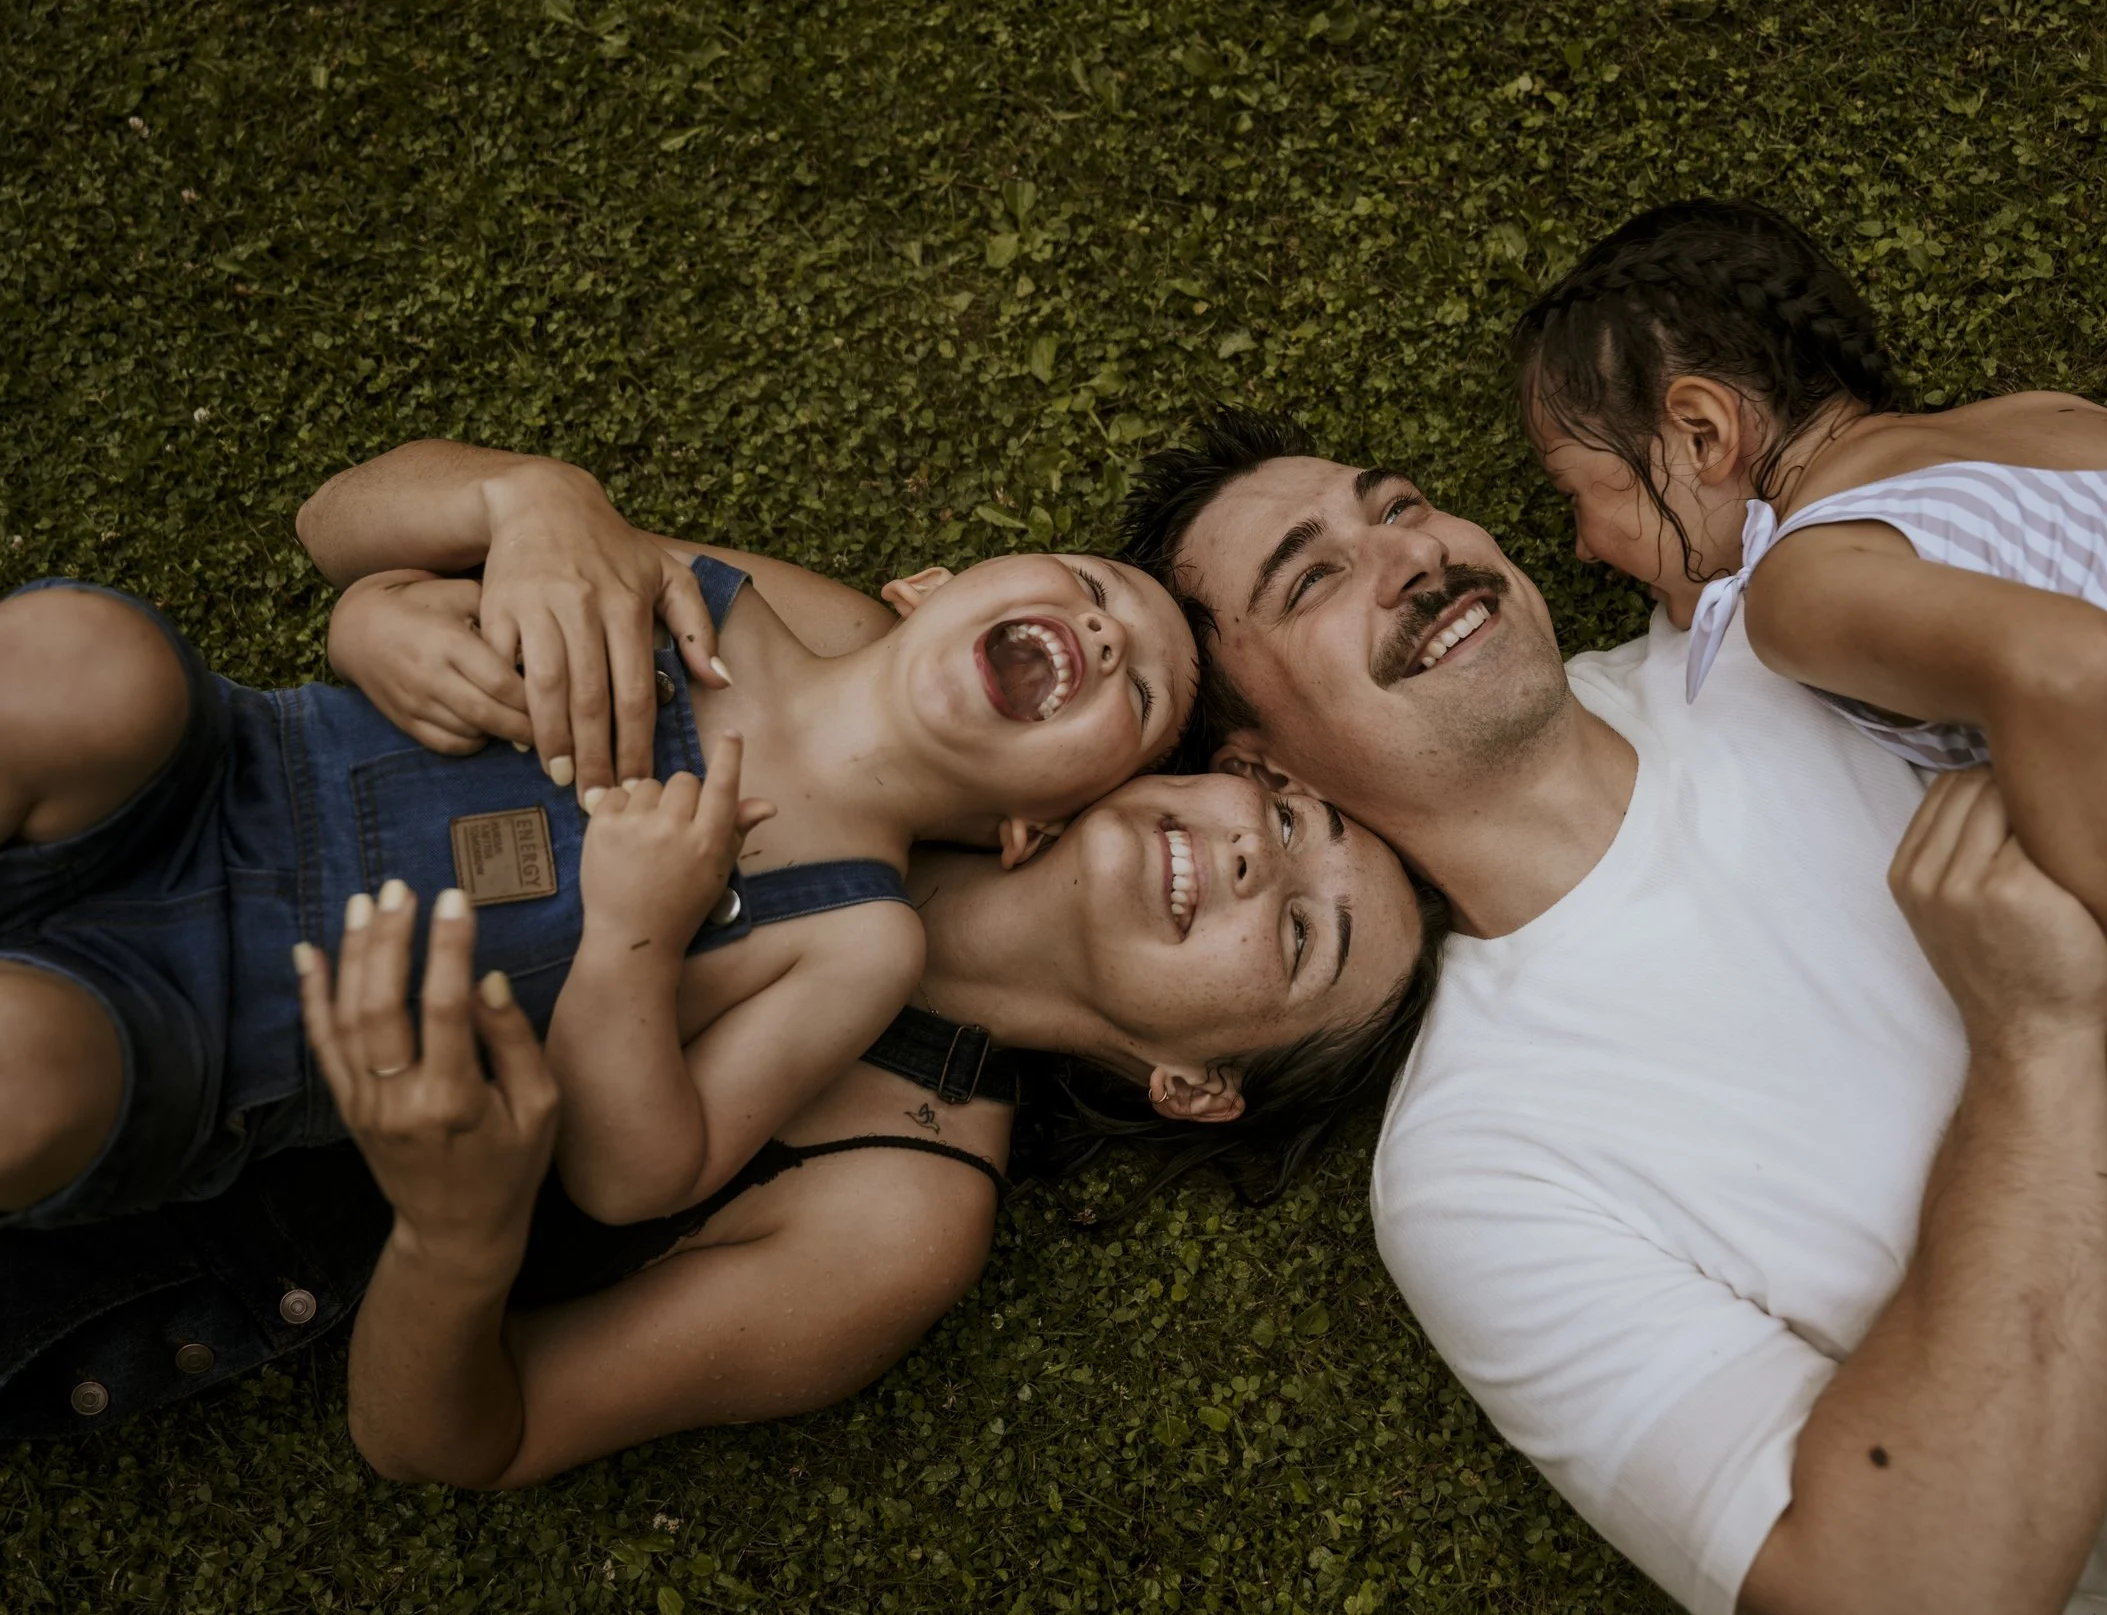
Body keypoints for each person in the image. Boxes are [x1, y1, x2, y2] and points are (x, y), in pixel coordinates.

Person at [1114, 345, 2107, 1615]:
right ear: (1262, 765)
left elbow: (2052, 459)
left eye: (1400, 502)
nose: (1411, 554)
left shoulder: (1763, 628)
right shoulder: (1478, 1164)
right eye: (1312, 579)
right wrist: (2035, 1043)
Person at [1511, 199, 2107, 1615]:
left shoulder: (1811, 574)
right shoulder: (2067, 417)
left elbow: (2067, 670)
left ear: (1701, 429)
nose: (1590, 545)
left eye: (1577, 489)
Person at [1, 530, 1447, 1475]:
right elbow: (427, 548)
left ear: (1194, 1077)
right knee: (87, 672)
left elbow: (458, 1437)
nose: (1257, 849)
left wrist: (460, 1224)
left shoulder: (896, 1213)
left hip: (148, 1076)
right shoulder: (809, 649)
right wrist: (426, 578)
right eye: (1273, 805)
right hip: (162, 793)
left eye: (1303, 937)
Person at [0, 438, 1201, 1233]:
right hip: (218, 778)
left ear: (1027, 827)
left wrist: (634, 930)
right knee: (93, 669)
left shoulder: (856, 934)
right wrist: (404, 601)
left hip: (216, 1030)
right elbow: (337, 523)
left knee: (31, 1065)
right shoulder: (706, 596)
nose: (1103, 638)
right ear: (930, 584)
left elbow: (636, 1176)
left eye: (1138, 693)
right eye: (1094, 587)